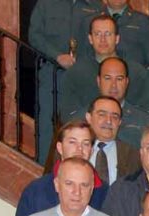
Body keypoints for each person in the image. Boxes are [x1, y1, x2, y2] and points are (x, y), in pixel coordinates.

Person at [10, 121, 108, 216]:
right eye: (72, 142)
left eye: (86, 144)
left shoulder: (104, 192)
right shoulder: (36, 191)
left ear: (92, 150)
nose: (79, 149)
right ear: (60, 147)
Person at [28, 0, 103, 163]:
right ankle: (44, 166)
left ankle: (86, 165)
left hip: (85, 76)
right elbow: (34, 35)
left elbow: (100, 39)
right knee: (47, 122)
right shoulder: (46, 4)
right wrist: (56, 56)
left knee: (85, 121)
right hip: (52, 71)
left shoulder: (96, 6)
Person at [65, 57, 149, 148]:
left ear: (127, 82)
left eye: (119, 79)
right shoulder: (78, 120)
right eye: (107, 78)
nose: (113, 85)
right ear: (98, 81)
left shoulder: (144, 121)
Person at [85, 95, 141, 184]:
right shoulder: (77, 150)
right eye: (102, 115)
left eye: (114, 117)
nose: (108, 121)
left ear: (119, 122)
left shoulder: (133, 156)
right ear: (89, 118)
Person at [81, 0, 149, 67]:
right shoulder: (89, 21)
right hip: (96, 75)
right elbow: (84, 54)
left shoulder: (144, 22)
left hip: (132, 77)